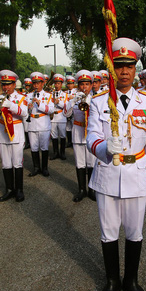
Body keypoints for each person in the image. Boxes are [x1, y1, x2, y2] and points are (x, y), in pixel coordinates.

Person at [87, 37, 146, 291]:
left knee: (134, 232)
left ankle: (131, 281)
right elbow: (90, 138)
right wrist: (106, 146)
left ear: (135, 67)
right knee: (108, 233)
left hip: (137, 174)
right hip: (108, 174)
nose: (125, 71)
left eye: (129, 65)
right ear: (111, 68)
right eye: (119, 66)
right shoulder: (98, 101)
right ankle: (111, 281)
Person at [0, 70, 29, 202]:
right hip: (3, 133)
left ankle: (19, 190)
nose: (6, 87)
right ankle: (9, 190)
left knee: (17, 163)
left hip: (16, 132)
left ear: (14, 84)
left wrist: (11, 106)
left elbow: (24, 112)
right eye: (4, 84)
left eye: (8, 84)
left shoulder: (21, 98)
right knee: (6, 163)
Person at [63, 70, 96, 202]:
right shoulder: (73, 99)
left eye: (87, 84)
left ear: (91, 85)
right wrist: (73, 101)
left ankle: (92, 189)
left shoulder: (95, 99)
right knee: (80, 163)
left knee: (91, 163)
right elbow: (66, 114)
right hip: (78, 133)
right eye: (82, 84)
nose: (84, 87)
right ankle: (82, 190)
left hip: (90, 134)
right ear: (78, 85)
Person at [26, 72, 55, 177]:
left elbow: (51, 109)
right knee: (33, 147)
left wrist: (39, 104)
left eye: (38, 83)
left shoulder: (48, 96)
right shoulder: (28, 96)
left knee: (44, 147)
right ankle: (36, 168)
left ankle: (45, 168)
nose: (36, 85)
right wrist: (28, 107)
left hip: (43, 124)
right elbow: (24, 111)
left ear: (43, 83)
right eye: (34, 83)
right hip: (32, 123)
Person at [49, 74, 68, 160]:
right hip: (53, 116)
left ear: (61, 84)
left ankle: (63, 153)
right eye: (55, 83)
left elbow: (66, 106)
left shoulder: (65, 95)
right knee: (54, 135)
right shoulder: (50, 94)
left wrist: (58, 102)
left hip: (61, 116)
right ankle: (55, 152)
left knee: (63, 135)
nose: (56, 85)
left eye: (58, 83)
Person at [65, 75, 77, 148]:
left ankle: (73, 142)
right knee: (68, 127)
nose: (70, 85)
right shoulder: (65, 92)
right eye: (68, 84)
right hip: (67, 110)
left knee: (73, 126)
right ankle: (69, 142)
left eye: (71, 83)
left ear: (73, 84)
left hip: (74, 111)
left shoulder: (76, 92)